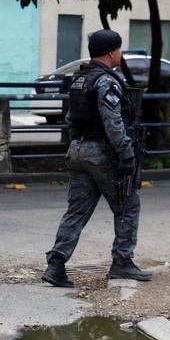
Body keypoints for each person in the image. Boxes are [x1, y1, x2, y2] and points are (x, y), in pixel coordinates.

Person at [41, 29, 151, 288]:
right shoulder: (106, 81)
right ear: (112, 51)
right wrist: (126, 154)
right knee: (127, 205)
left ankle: (56, 264)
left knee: (76, 212)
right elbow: (113, 122)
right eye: (119, 50)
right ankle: (122, 262)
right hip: (102, 153)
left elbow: (70, 119)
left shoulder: (79, 78)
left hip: (78, 149)